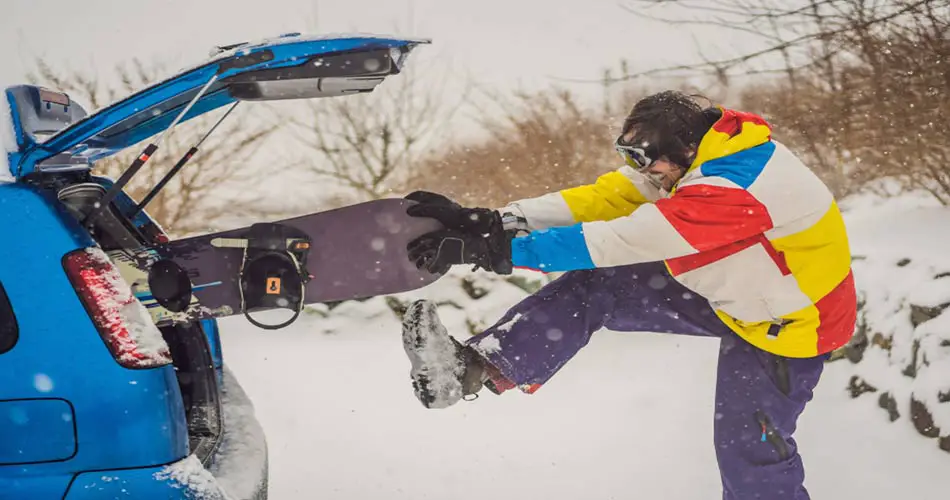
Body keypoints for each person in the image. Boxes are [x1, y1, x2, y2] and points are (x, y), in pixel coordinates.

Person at [400, 90, 856, 500]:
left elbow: (621, 239)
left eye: (646, 160)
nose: (642, 171)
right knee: (599, 284)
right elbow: (606, 198)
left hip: (793, 323)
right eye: (632, 157)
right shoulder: (694, 160)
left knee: (749, 453)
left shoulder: (736, 186)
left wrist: (493, 252)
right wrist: (496, 221)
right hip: (740, 298)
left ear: (685, 147)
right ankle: (472, 369)